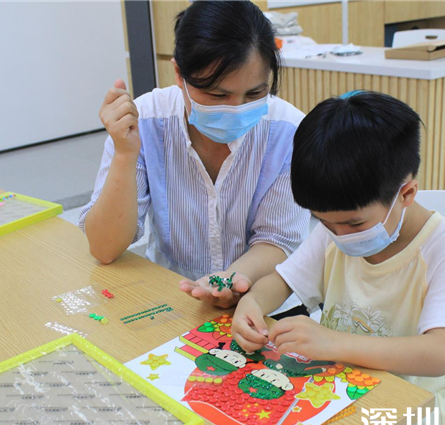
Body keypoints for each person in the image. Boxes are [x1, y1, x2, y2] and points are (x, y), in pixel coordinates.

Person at [231, 91, 445, 425]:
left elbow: (438, 355)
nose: (339, 234)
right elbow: (280, 282)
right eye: (323, 221)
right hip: (339, 398)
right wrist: (251, 303)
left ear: (406, 193)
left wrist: (331, 342)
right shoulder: (334, 232)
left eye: (354, 223)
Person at [79, 1, 308, 309]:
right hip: (171, 300)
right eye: (217, 95)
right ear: (178, 73)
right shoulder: (143, 123)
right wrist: (124, 154)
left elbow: (277, 241)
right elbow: (104, 248)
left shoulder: (290, 132)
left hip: (261, 303)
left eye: (255, 94)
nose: (236, 109)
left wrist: (227, 281)